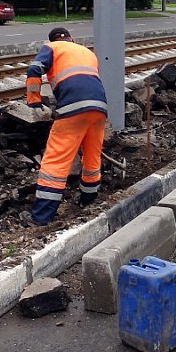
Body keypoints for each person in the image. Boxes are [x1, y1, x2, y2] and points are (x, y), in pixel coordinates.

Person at [21, 27, 108, 226]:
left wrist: (34, 100)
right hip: (99, 107)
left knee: (56, 160)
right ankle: (88, 200)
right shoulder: (87, 52)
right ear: (71, 39)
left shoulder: (51, 47)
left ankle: (41, 217)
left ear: (52, 40)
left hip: (73, 107)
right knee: (92, 157)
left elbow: (34, 69)